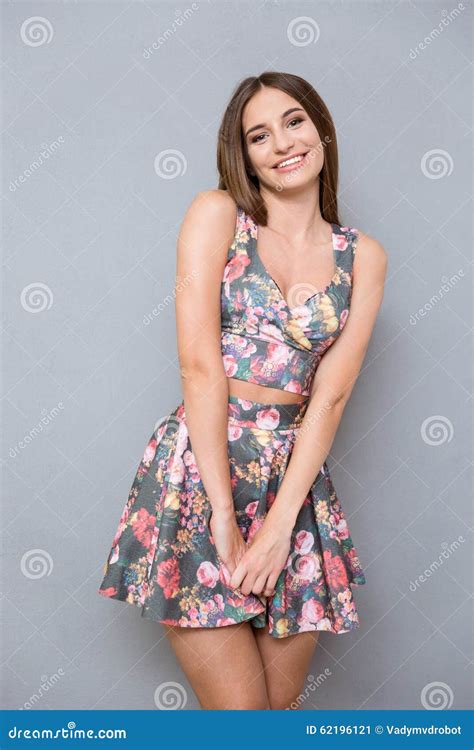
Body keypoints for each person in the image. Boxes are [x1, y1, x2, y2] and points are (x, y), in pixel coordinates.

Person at [98, 71, 387, 710]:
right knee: (241, 719)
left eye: (294, 121)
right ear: (244, 153)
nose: (282, 142)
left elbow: (330, 397)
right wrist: (223, 517)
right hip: (203, 470)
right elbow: (199, 365)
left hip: (295, 485)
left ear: (322, 131)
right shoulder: (218, 214)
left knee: (275, 721)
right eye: (259, 135)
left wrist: (282, 524)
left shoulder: (363, 256)